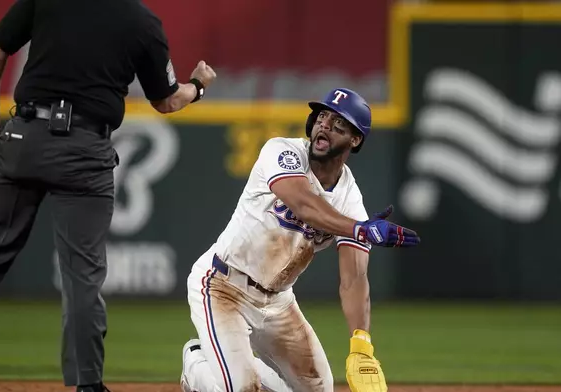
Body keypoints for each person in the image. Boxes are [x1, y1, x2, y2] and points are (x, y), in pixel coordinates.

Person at [0, 0, 216, 391]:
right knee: (82, 273)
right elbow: (166, 100)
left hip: (26, 134)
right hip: (85, 148)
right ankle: (87, 384)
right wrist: (199, 87)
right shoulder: (141, 21)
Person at [179, 88, 419, 392]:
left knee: (320, 388)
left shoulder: (350, 199)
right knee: (242, 389)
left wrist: (361, 342)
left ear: (355, 139)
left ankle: (238, 366)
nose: (325, 126)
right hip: (222, 287)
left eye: (338, 125)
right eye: (322, 117)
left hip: (278, 302)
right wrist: (360, 229)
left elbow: (354, 278)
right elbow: (305, 203)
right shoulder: (282, 151)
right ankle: (197, 363)